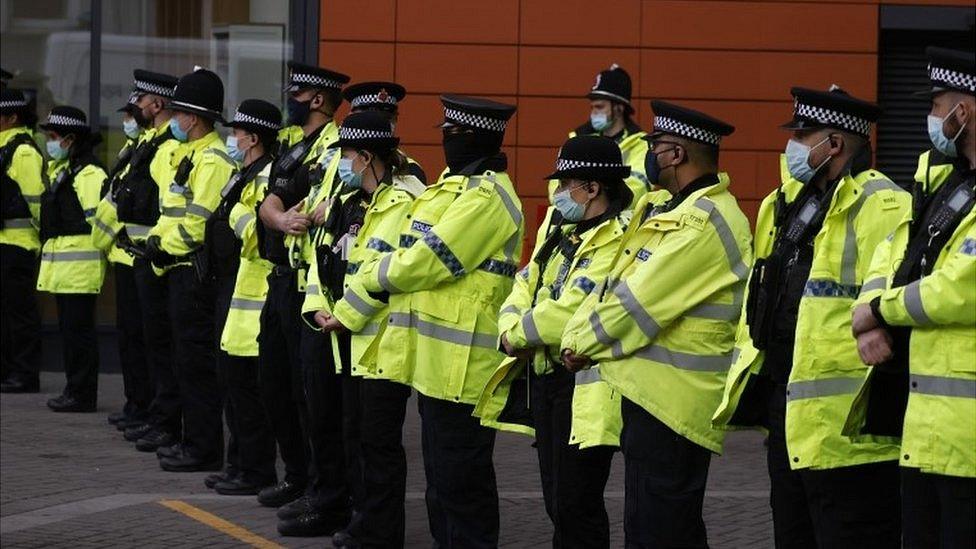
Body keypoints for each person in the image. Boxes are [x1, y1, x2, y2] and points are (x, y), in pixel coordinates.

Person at [712, 86, 910, 548]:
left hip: (849, 433)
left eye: (804, 134)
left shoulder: (882, 204)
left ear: (835, 144)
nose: (794, 145)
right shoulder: (790, 206)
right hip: (792, 414)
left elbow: (889, 303)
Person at [561, 101, 751, 548]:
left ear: (676, 154)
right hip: (650, 396)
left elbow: (638, 301)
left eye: (655, 146)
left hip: (677, 403)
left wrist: (579, 342)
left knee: (666, 530)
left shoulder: (707, 221)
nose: (648, 155)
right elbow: (613, 283)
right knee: (646, 528)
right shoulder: (664, 207)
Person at [358, 94, 523, 548]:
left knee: (462, 486)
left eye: (452, 135)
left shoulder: (489, 198)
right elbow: (409, 247)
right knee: (440, 485)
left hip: (464, 366)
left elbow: (430, 259)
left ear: (473, 138)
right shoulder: (450, 187)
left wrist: (373, 275)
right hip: (434, 363)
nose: (446, 144)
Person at [847, 46, 975, 548]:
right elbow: (896, 251)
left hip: (966, 443)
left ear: (962, 112)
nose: (931, 118)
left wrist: (879, 310)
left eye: (936, 105)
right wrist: (872, 315)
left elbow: (960, 288)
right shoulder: (948, 184)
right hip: (928, 430)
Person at [481, 135, 631, 547]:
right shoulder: (563, 228)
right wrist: (513, 326)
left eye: (566, 184)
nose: (560, 192)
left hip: (582, 387)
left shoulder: (618, 238)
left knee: (576, 503)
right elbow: (525, 280)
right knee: (557, 500)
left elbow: (572, 309)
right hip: (546, 380)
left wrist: (518, 332)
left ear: (593, 187)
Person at [309, 110, 425, 547]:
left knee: (379, 445)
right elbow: (321, 259)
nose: (342, 165)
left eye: (347, 156)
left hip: (381, 341)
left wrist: (345, 314)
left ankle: (381, 531)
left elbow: (386, 273)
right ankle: (364, 521)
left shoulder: (403, 204)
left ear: (367, 157)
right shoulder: (350, 202)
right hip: (347, 340)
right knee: (354, 436)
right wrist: (318, 308)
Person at [256, 61, 349, 513]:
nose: (289, 101)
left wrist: (293, 213)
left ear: (316, 99)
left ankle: (317, 484)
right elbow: (269, 202)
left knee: (308, 391)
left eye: (296, 94)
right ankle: (296, 476)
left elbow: (326, 206)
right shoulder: (293, 145)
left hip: (307, 285)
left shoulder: (335, 146)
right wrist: (281, 216)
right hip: (281, 279)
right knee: (275, 383)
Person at [143, 67, 236, 472]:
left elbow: (197, 224)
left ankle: (203, 449)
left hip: (192, 274)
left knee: (197, 366)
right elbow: (170, 205)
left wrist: (162, 246)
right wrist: (154, 244)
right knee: (183, 361)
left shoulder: (213, 160)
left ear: (193, 118)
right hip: (174, 269)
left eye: (179, 113)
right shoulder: (187, 153)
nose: (173, 120)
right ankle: (190, 439)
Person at [206, 99, 281, 495]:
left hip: (255, 294)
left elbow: (258, 234)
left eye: (237, 132)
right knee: (233, 386)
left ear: (253, 138)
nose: (231, 138)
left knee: (249, 392)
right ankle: (237, 465)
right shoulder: (244, 171)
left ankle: (255, 471)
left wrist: (235, 214)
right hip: (233, 290)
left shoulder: (268, 176)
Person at [106, 70, 184, 452]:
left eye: (138, 102)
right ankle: (142, 408)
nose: (133, 109)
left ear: (156, 104)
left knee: (157, 343)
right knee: (136, 338)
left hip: (156, 256)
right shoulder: (146, 141)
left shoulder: (167, 143)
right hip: (135, 253)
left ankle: (157, 415)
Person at [35, 106, 107, 412]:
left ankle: (82, 394)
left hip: (81, 269)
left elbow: (98, 222)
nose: (49, 142)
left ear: (70, 139)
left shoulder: (90, 173)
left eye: (53, 137)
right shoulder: (64, 170)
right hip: (67, 270)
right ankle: (74, 389)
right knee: (71, 333)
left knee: (79, 335)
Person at [93, 88, 151, 431]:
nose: (127, 121)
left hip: (140, 256)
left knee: (141, 340)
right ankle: (135, 405)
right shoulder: (134, 148)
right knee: (129, 338)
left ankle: (143, 408)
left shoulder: (148, 150)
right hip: (125, 254)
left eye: (132, 114)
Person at [552, 64, 650, 208]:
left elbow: (637, 188)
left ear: (619, 107)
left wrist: (592, 205)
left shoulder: (641, 144)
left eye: (600, 107)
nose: (593, 113)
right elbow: (556, 183)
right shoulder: (577, 139)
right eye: (592, 107)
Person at [0, 87, 43, 394]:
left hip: (19, 244)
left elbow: (36, 201)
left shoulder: (23, 150)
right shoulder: (5, 146)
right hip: (4, 242)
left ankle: (25, 373)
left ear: (12, 118)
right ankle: (7, 369)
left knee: (19, 313)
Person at [341, 81, 426, 184]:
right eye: (368, 119)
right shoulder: (335, 162)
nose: (379, 126)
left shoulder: (410, 172)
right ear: (350, 116)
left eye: (387, 119)